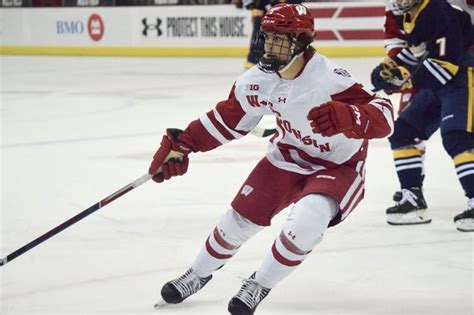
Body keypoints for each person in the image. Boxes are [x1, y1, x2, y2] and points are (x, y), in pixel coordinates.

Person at [150, 4, 394, 314]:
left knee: (309, 217)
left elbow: (384, 117)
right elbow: (227, 120)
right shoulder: (256, 80)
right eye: (268, 38)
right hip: (286, 157)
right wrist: (183, 144)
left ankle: (259, 284)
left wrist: (350, 116)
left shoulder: (329, 78)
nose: (270, 46)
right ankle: (196, 275)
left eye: (280, 39)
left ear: (302, 42)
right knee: (237, 221)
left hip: (339, 166)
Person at [371, 0, 474, 231]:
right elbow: (417, 50)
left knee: (457, 137)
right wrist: (390, 68)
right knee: (403, 133)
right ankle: (413, 200)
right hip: (442, 81)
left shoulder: (438, 10)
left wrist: (401, 80)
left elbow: (446, 63)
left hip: (464, 76)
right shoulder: (411, 13)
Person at [234, 0, 303, 69]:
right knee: (260, 38)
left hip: (283, 20)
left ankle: (254, 61)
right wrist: (253, 7)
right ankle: (252, 61)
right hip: (264, 17)